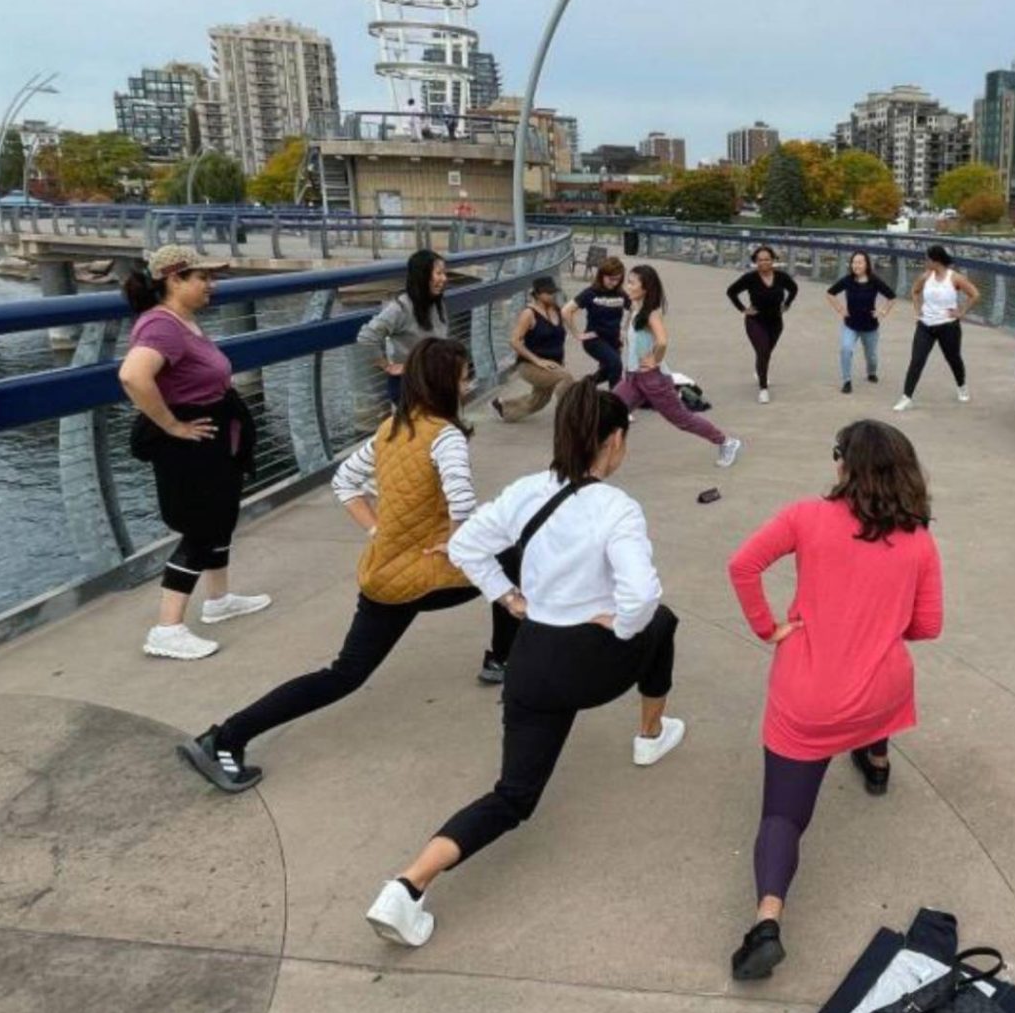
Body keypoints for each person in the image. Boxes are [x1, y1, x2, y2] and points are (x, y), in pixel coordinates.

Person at [365, 383, 685, 947]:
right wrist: (619, 622)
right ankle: (650, 732)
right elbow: (641, 596)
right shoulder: (617, 507)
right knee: (661, 624)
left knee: (513, 795)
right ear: (615, 441)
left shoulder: (525, 492)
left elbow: (465, 547)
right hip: (591, 665)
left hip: (531, 659)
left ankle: (407, 886)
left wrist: (509, 598)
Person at [177, 339, 520, 791]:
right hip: (420, 576)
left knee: (345, 672)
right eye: (463, 377)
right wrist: (459, 545)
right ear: (444, 384)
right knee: (509, 556)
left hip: (386, 568)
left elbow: (345, 482)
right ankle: (226, 738)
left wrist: (378, 531)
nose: (467, 383)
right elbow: (462, 500)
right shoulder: (447, 435)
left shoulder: (392, 428)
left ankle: (501, 658)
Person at [725, 419, 944, 979]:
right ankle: (876, 760)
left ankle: (767, 921)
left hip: (810, 697)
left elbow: (742, 564)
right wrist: (879, 624)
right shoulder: (919, 539)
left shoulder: (806, 516)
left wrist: (768, 627)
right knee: (879, 667)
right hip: (878, 695)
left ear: (845, 465)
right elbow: (927, 626)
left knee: (783, 814)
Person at [118, 244, 271, 661]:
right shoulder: (161, 326)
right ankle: (167, 628)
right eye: (202, 278)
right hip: (190, 443)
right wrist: (172, 425)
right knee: (201, 528)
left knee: (220, 518)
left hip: (212, 434)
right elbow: (132, 375)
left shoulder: (183, 322)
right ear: (174, 279)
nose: (211, 285)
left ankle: (219, 600)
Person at [616, 265, 743, 467]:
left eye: (632, 282)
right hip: (632, 378)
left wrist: (654, 360)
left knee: (682, 419)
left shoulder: (650, 314)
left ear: (645, 287)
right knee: (610, 411)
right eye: (628, 281)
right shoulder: (634, 309)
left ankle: (727, 442)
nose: (627, 285)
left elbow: (663, 341)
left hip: (653, 379)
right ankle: (593, 457)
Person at [892, 246, 981, 413]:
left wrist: (961, 312)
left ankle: (962, 386)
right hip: (925, 325)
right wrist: (917, 309)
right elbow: (915, 290)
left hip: (948, 326)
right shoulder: (926, 276)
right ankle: (906, 397)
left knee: (953, 359)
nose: (925, 262)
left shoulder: (955, 278)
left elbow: (975, 294)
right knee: (916, 361)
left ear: (936, 260)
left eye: (927, 259)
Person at [358, 249, 449, 406]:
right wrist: (386, 365)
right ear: (422, 275)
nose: (444, 278)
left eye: (444, 273)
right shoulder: (401, 307)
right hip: (411, 386)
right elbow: (367, 336)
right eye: (439, 273)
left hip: (433, 380)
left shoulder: (436, 303)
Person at [492, 276, 575, 423]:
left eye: (553, 292)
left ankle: (503, 408)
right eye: (548, 292)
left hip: (552, 365)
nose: (552, 295)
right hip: (530, 366)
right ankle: (569, 419)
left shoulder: (556, 310)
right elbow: (514, 341)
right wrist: (538, 361)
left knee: (539, 402)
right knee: (566, 378)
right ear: (537, 294)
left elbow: (557, 339)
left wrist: (560, 361)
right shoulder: (529, 314)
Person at [726, 245, 800, 403]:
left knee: (765, 354)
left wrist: (787, 304)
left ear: (773, 260)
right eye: (760, 260)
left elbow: (793, 289)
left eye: (767, 259)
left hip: (776, 322)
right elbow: (731, 291)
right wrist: (743, 309)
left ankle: (759, 371)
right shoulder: (750, 278)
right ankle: (763, 389)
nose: (764, 262)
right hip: (755, 321)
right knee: (763, 351)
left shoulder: (781, 276)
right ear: (755, 262)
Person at [825, 250, 896, 394]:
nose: (856, 265)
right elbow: (830, 293)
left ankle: (871, 372)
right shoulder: (847, 280)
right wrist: (840, 309)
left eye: (859, 262)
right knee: (846, 349)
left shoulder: (874, 280)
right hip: (850, 324)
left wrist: (882, 312)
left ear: (866, 264)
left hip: (870, 326)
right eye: (854, 262)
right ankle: (847, 381)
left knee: (871, 356)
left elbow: (892, 297)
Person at [564, 256, 629, 388]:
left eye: (618, 279)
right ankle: (615, 403)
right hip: (594, 340)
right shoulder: (590, 293)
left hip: (614, 341)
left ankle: (579, 389)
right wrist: (577, 334)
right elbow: (566, 311)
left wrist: (624, 330)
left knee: (607, 371)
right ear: (602, 275)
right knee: (616, 365)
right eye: (611, 279)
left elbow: (635, 309)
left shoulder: (621, 293)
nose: (614, 283)